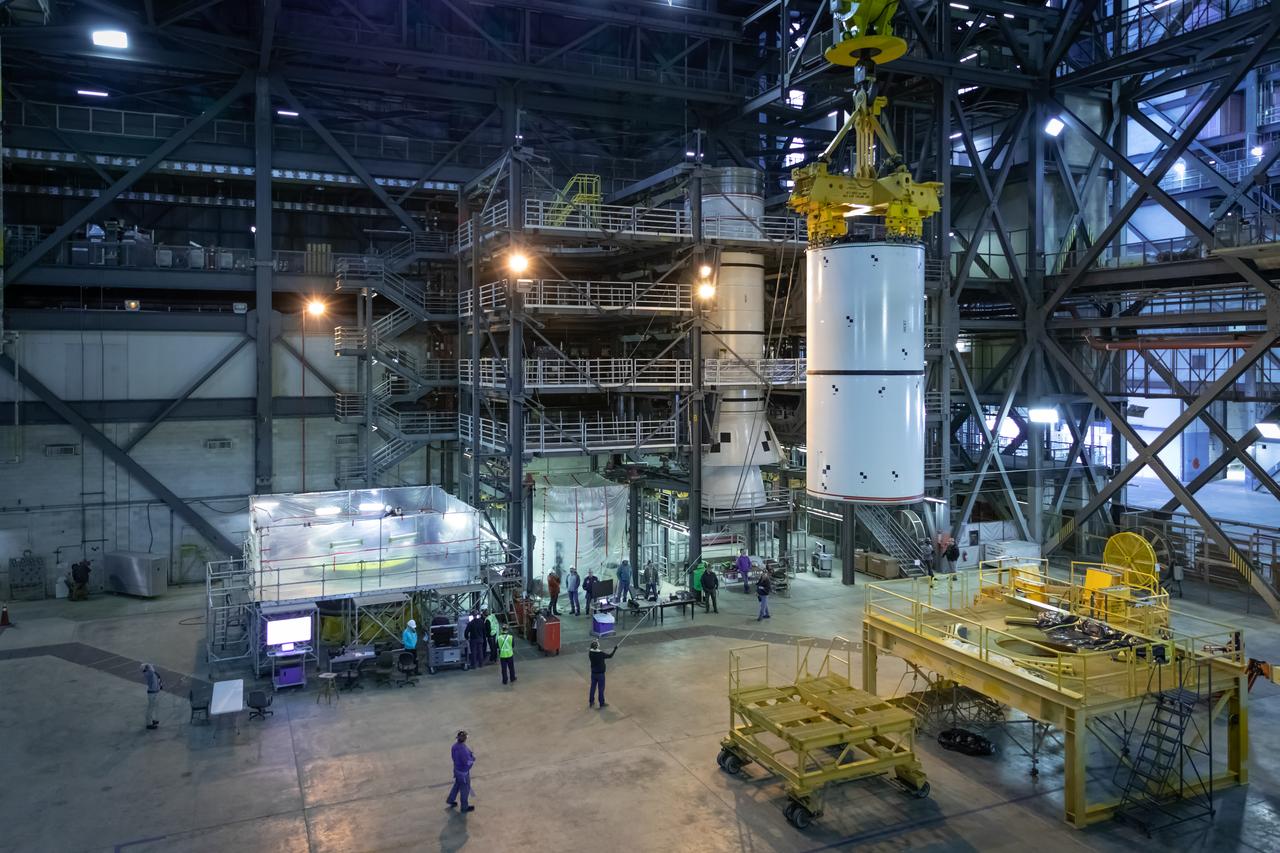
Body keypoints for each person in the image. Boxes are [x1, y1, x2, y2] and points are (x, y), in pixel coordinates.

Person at [447, 730, 476, 813]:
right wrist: (472, 759)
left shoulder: (454, 746)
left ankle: (450, 799)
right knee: (465, 789)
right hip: (463, 773)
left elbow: (453, 757)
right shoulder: (463, 750)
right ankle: (464, 807)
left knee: (457, 785)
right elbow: (467, 763)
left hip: (456, 770)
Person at [588, 639, 618, 708]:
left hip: (593, 673)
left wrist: (594, 641)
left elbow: (592, 648)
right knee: (601, 689)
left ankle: (591, 701)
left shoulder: (590, 653)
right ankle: (601, 703)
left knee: (593, 688)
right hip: (600, 674)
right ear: (597, 646)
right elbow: (610, 656)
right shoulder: (600, 654)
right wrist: (615, 649)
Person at [141, 663, 163, 730]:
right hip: (152, 693)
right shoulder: (149, 673)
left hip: (155, 692)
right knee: (150, 708)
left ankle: (154, 720)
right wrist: (147, 666)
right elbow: (153, 673)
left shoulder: (152, 673)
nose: (150, 667)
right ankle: (148, 724)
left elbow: (158, 678)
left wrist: (160, 686)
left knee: (155, 706)